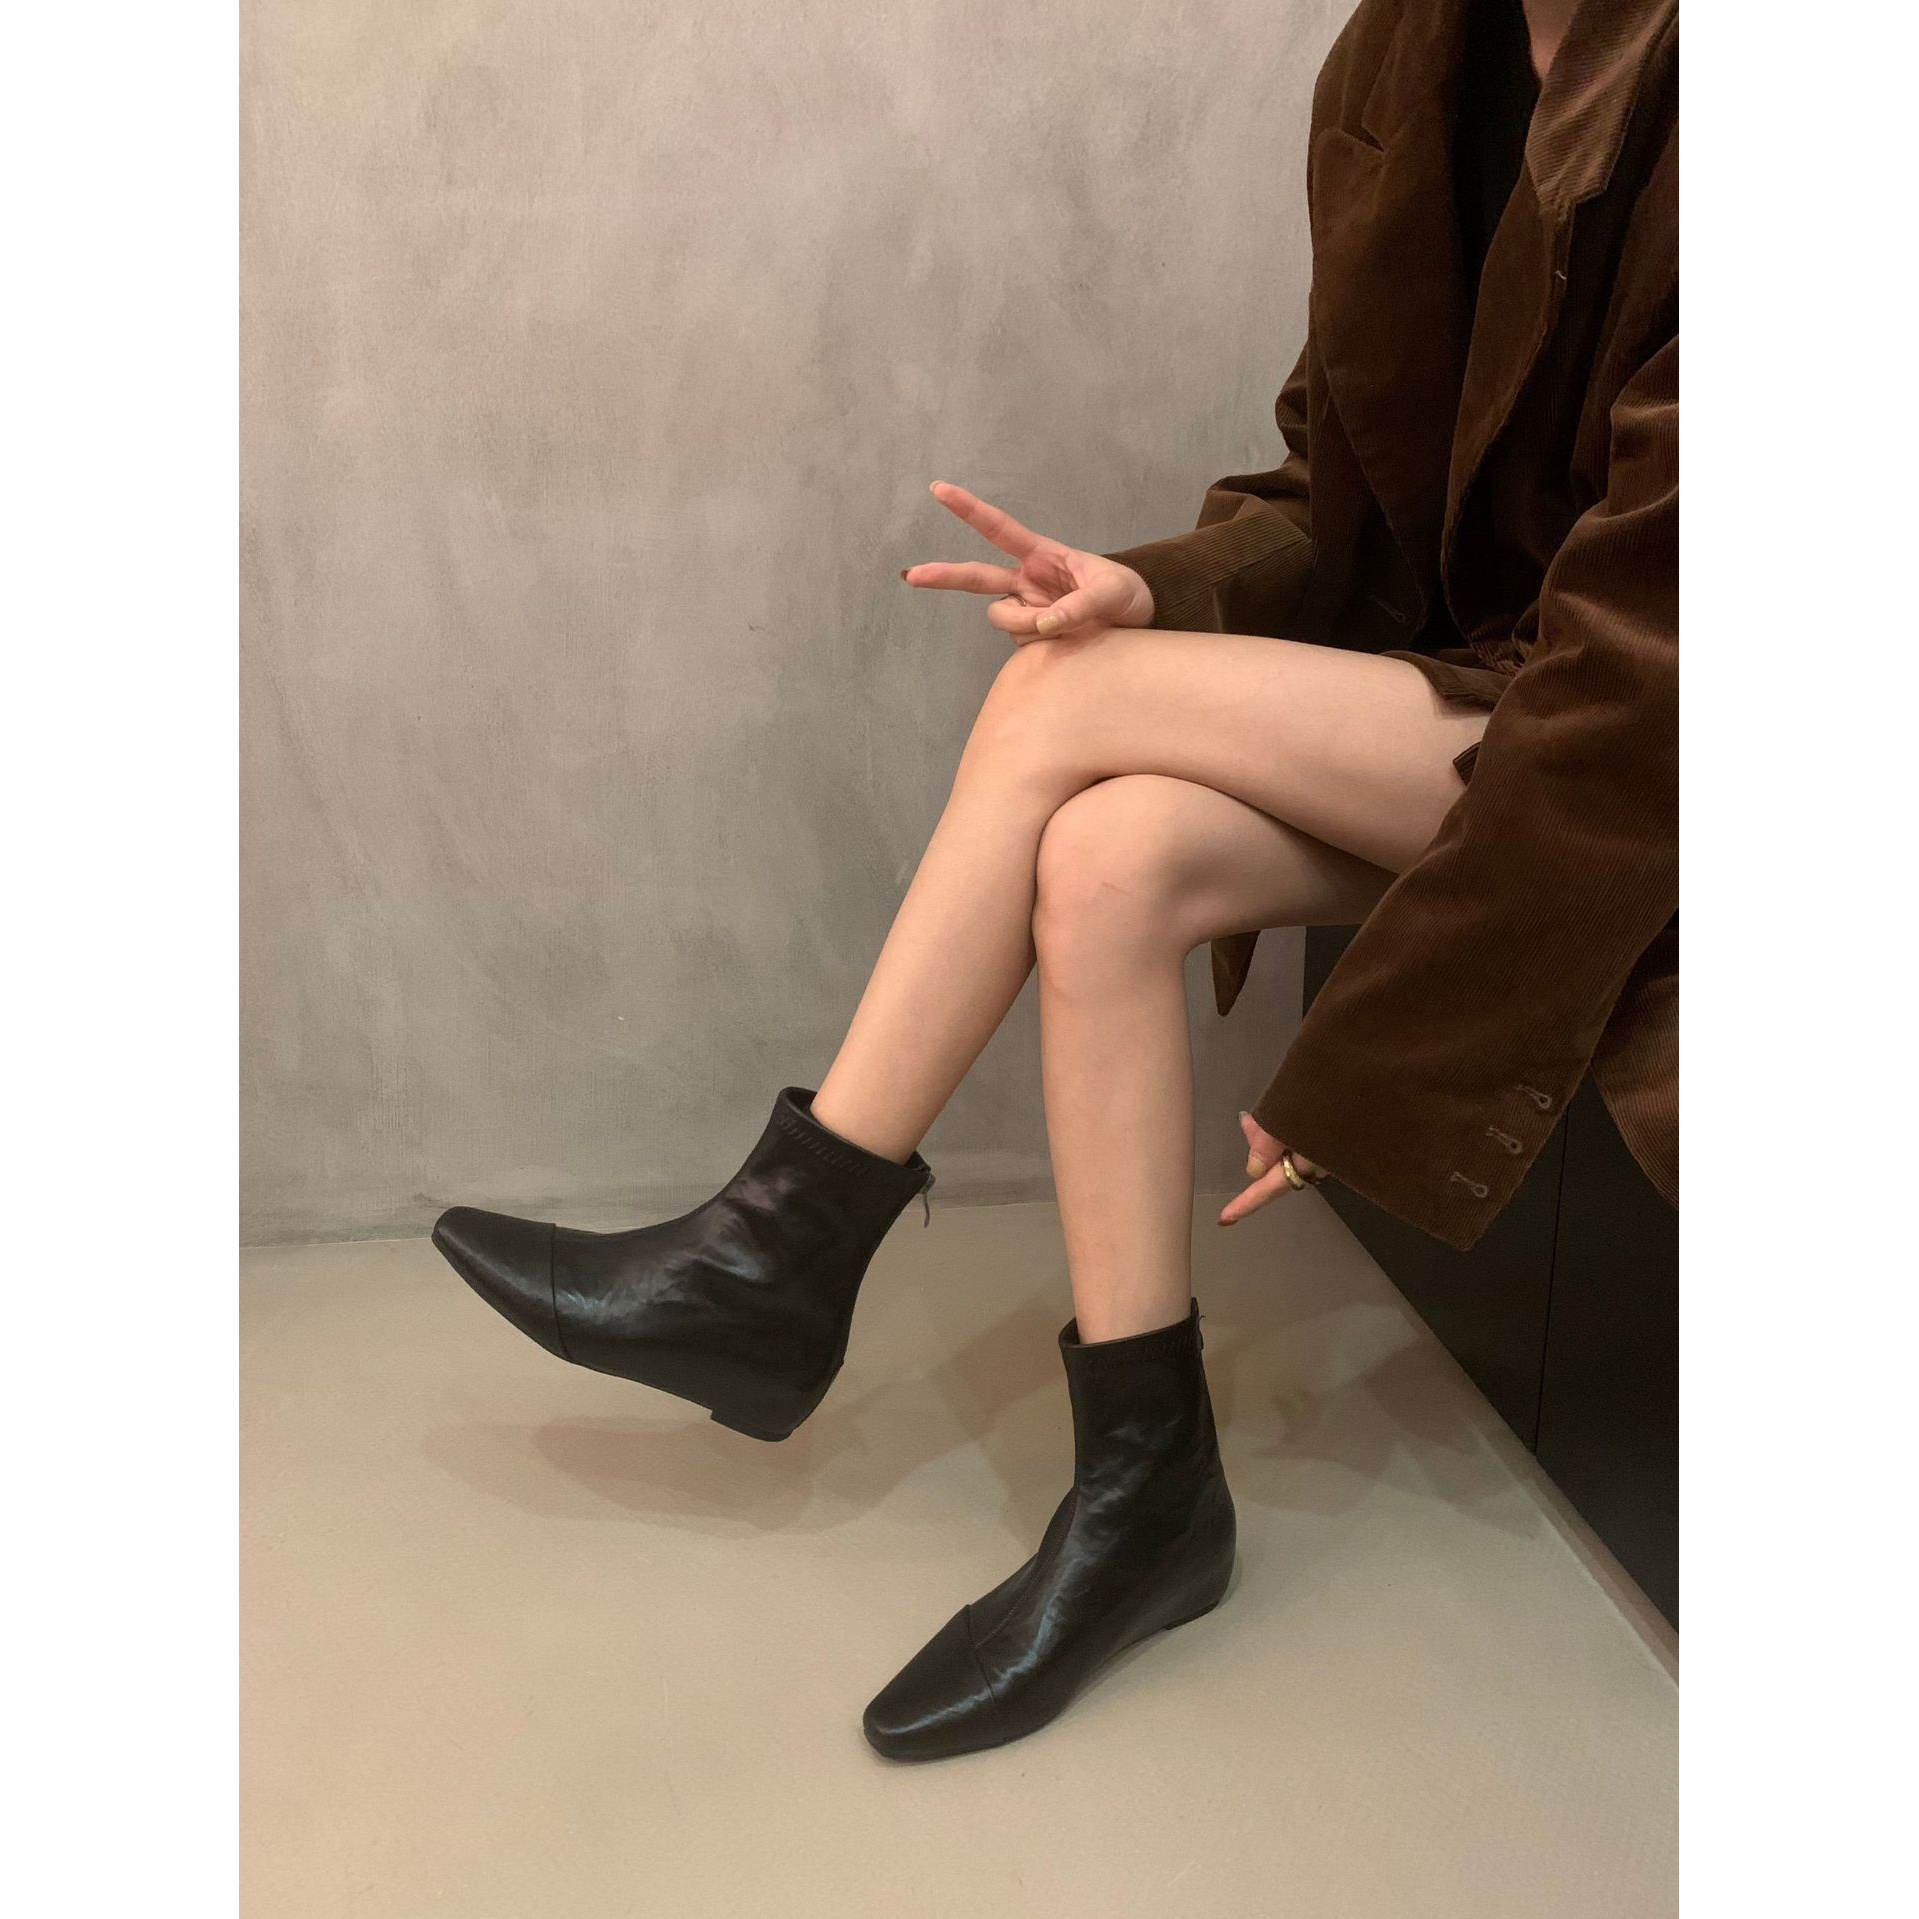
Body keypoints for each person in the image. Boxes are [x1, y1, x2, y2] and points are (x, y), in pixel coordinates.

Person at [432, 0, 1678, 1763]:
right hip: (1497, 692)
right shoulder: (1408, 56)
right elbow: (1338, 481)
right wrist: (1159, 594)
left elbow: (1659, 669)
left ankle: (779, 1252)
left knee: (1059, 706)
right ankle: (1146, 1487)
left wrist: (1401, 1057)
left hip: (1668, 731)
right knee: (1106, 853)